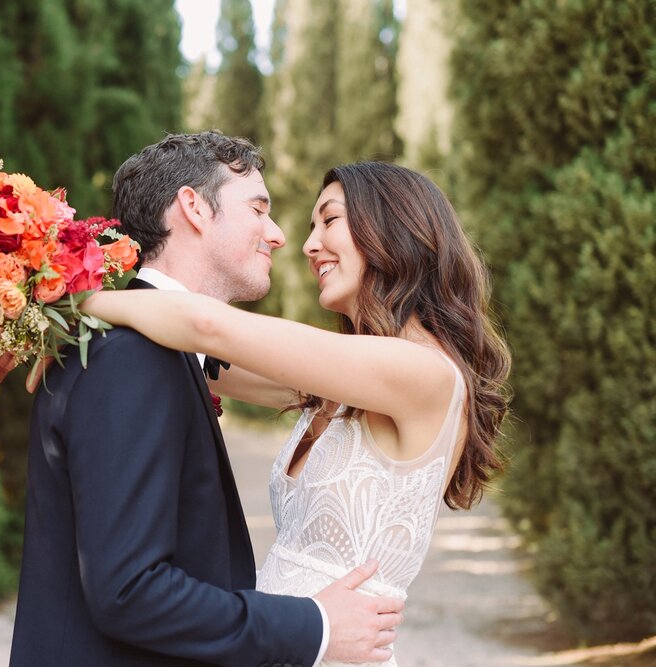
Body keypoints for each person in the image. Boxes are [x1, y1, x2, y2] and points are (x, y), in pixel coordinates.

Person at [80, 161, 512, 667]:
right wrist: (45, 338)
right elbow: (202, 364)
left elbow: (205, 328)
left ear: (395, 227)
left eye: (328, 221)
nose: (308, 245)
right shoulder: (347, 382)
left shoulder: (423, 374)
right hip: (291, 644)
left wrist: (73, 302)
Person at [1, 133, 405, 666]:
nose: (281, 235)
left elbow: (294, 378)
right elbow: (130, 590)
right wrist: (315, 626)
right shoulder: (131, 358)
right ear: (193, 207)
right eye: (258, 209)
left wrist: (61, 311)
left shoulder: (145, 349)